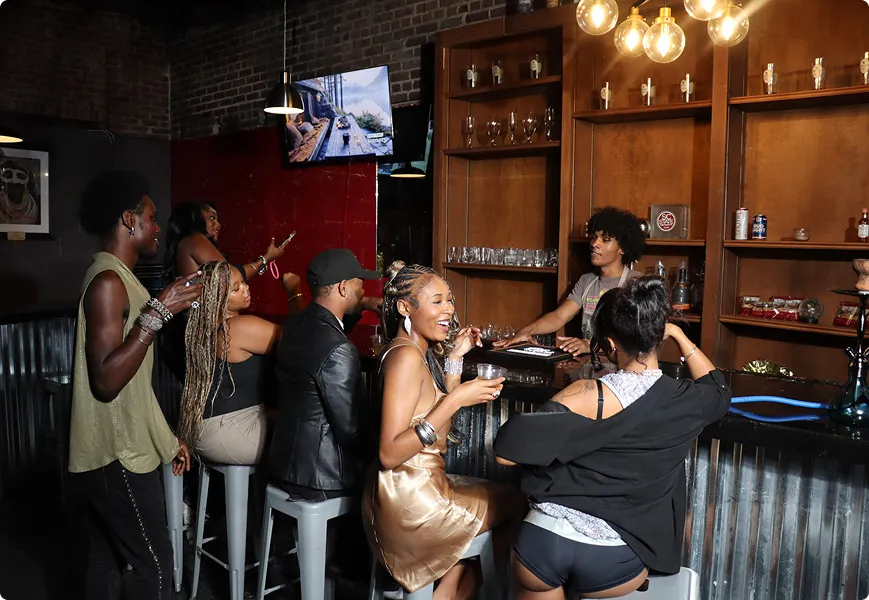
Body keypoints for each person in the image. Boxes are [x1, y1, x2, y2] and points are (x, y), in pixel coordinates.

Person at [494, 276, 732, 600]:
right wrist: (677, 335)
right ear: (656, 336)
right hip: (615, 555)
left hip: (545, 541)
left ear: (607, 345)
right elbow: (718, 388)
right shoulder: (688, 402)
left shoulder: (585, 393)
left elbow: (505, 454)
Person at [69, 170, 201, 600]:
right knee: (158, 571)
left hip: (116, 451)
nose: (158, 226)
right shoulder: (108, 281)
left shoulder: (122, 279)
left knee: (106, 565)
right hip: (117, 456)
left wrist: (167, 440)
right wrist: (158, 314)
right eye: (151, 216)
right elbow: (107, 381)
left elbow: (135, 389)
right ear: (129, 219)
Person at [363, 261, 524, 599]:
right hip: (409, 504)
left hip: (406, 491)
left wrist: (454, 359)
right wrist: (457, 400)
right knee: (518, 503)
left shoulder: (413, 351)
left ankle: (447, 589)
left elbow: (436, 432)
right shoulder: (406, 358)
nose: (449, 311)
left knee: (493, 500)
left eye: (449, 300)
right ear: (406, 307)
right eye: (437, 301)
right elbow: (389, 453)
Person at [269, 248, 382, 500]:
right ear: (343, 288)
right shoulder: (339, 349)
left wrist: (362, 304)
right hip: (325, 475)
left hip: (285, 463)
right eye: (360, 284)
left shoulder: (295, 324)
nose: (364, 291)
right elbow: (351, 431)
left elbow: (330, 324)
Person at [177, 261, 299, 465]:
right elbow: (302, 338)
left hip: (203, 427)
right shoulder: (238, 328)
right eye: (236, 288)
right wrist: (294, 291)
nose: (246, 288)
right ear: (217, 298)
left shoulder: (202, 327)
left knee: (285, 416)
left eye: (243, 282)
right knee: (307, 437)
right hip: (228, 432)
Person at [495, 207, 645, 357]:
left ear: (623, 249)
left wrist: (590, 345)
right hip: (588, 367)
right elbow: (559, 317)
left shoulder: (636, 283)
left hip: (622, 370)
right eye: (594, 237)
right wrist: (525, 331)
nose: (594, 244)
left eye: (605, 240)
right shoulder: (587, 281)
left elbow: (639, 338)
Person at [162, 199, 292, 282]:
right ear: (195, 218)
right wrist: (265, 259)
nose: (218, 224)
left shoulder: (185, 244)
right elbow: (232, 276)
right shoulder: (194, 240)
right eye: (212, 218)